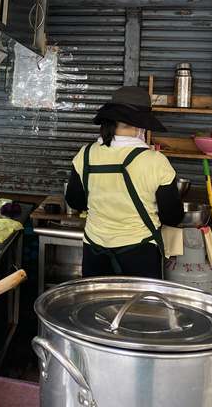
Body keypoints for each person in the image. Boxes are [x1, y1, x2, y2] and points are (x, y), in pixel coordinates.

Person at [65, 86, 183, 279]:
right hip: (140, 255)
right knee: (138, 308)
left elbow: (75, 202)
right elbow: (172, 216)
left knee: (97, 306)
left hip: (95, 252)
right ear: (141, 125)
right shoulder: (155, 161)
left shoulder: (86, 154)